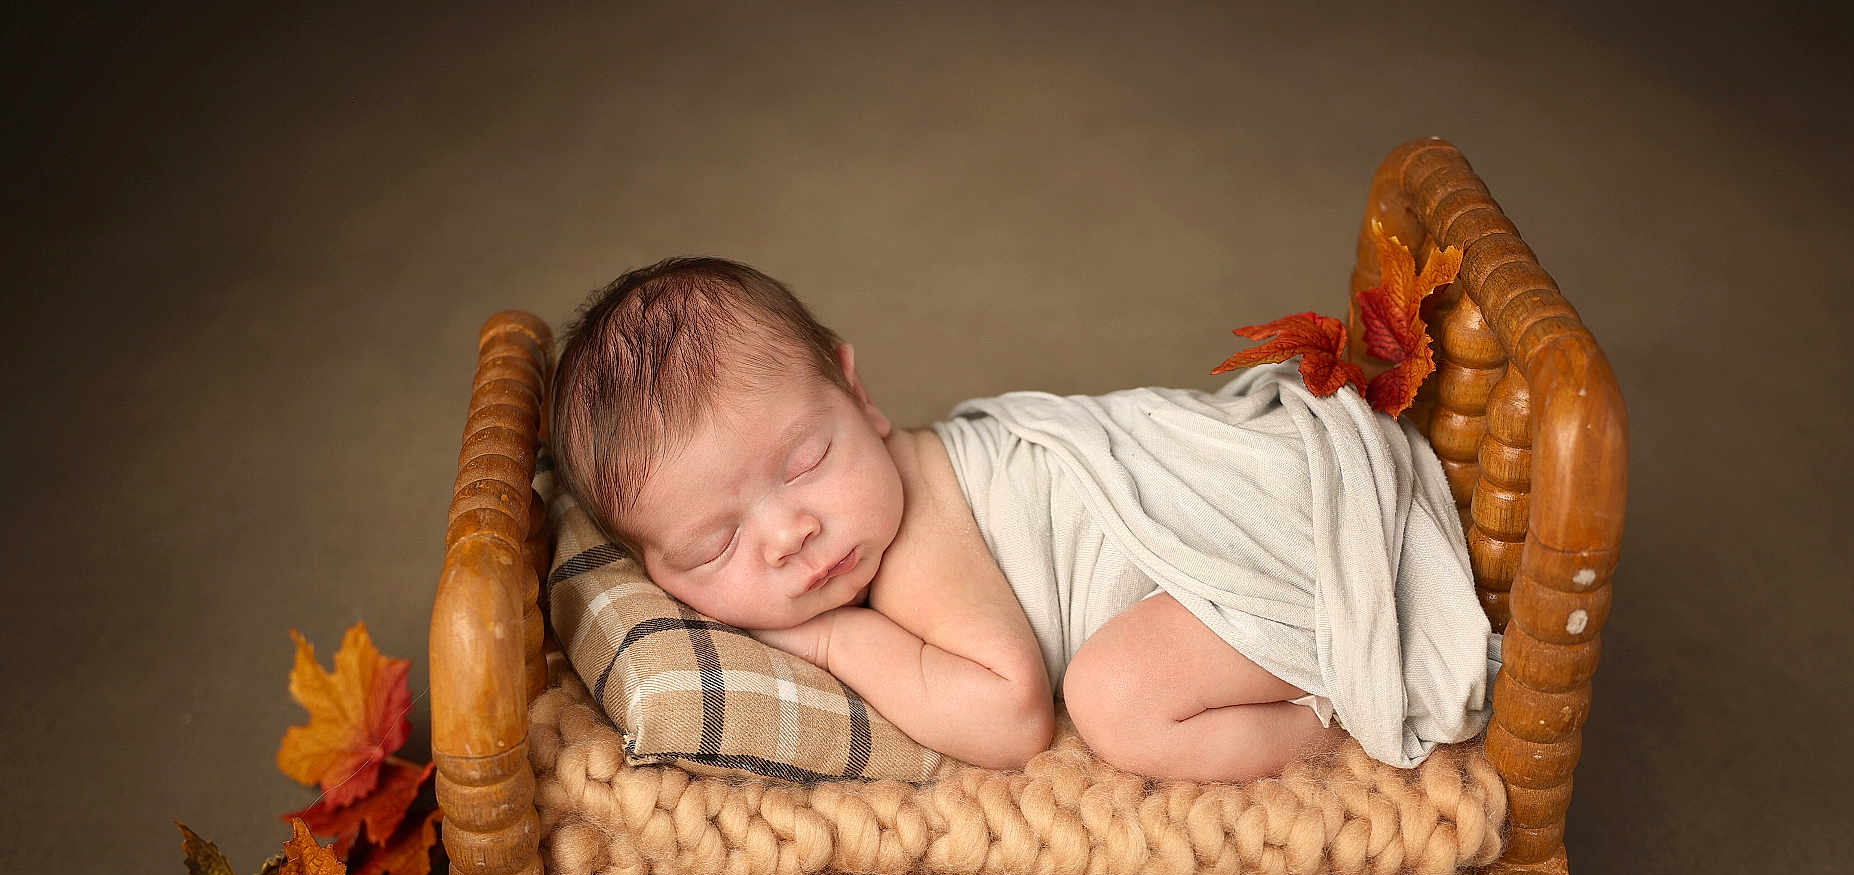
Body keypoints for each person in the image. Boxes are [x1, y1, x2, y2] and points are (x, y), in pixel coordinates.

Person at [548, 257, 1495, 782]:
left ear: (859, 395)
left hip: (1283, 536)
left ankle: (1331, 727)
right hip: (1248, 527)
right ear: (654, 572)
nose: (789, 533)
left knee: (1116, 698)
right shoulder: (851, 511)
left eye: (807, 463)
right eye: (717, 545)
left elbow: (1010, 715)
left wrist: (838, 642)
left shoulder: (919, 541)